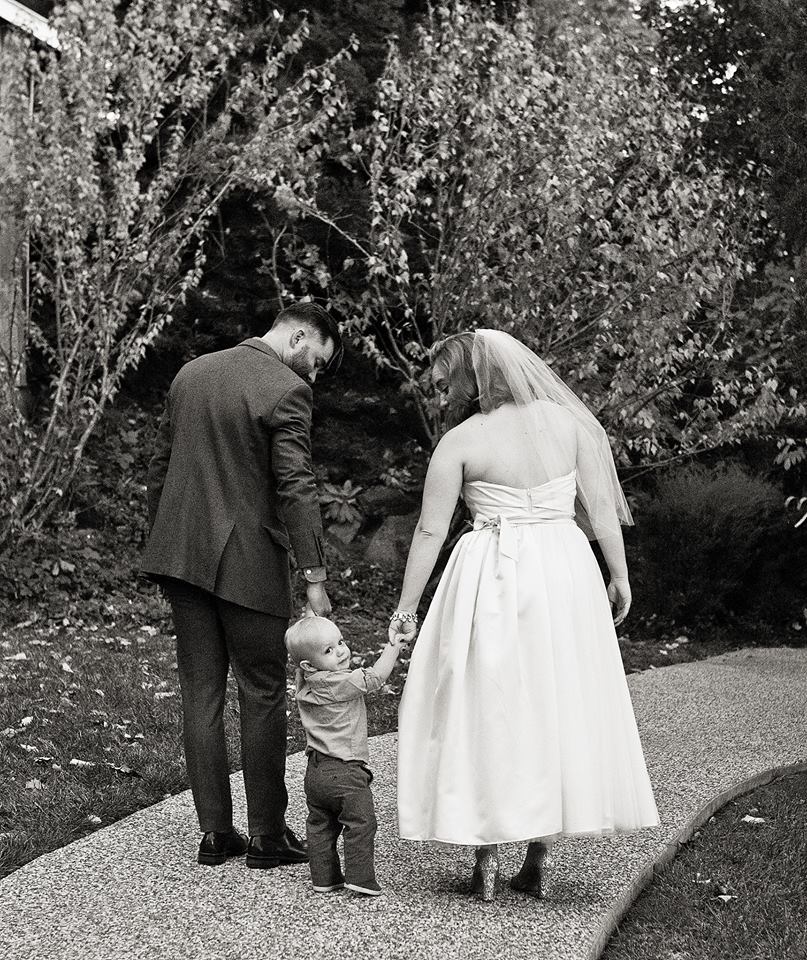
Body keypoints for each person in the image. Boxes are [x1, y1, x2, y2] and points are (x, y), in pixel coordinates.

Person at [389, 329, 659, 901]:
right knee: (554, 698)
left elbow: (431, 530)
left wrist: (407, 606)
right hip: (564, 572)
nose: (444, 395)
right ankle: (537, 856)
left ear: (474, 377)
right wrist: (619, 575)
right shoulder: (572, 427)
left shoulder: (461, 441)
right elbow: (602, 511)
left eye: (447, 384)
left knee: (486, 700)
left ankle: (485, 857)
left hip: (490, 573)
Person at [141, 302, 343, 868]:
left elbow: (163, 466)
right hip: (248, 562)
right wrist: (315, 576)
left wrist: (164, 541)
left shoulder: (192, 372)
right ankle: (267, 837)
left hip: (182, 558)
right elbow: (297, 487)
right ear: (300, 334)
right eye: (318, 360)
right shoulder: (286, 389)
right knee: (262, 690)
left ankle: (214, 834)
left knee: (199, 692)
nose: (314, 374)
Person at [286, 616, 405, 896]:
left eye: (340, 642)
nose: (341, 651)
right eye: (328, 650)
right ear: (309, 664)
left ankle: (325, 878)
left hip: (315, 772)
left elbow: (305, 663)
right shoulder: (338, 682)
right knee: (361, 823)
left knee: (321, 825)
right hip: (346, 773)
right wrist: (394, 647)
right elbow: (375, 678)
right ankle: (360, 878)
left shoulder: (306, 683)